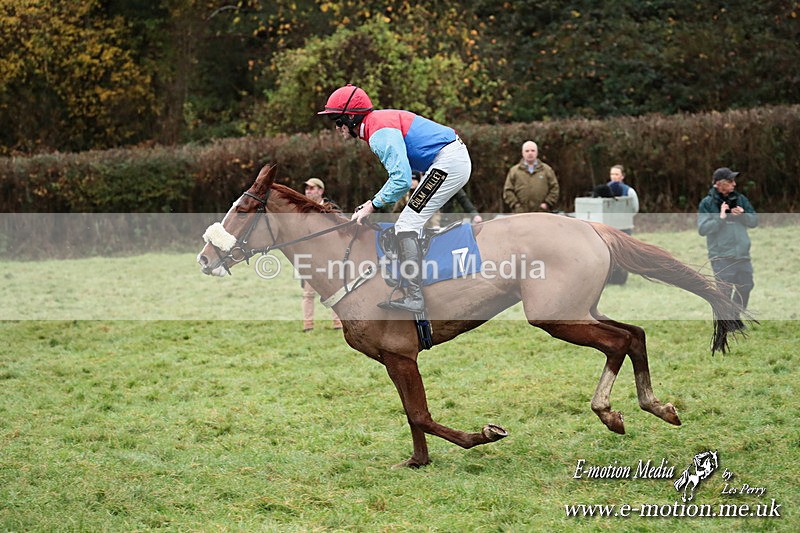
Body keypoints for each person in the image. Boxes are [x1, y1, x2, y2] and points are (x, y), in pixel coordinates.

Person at [318, 84, 472, 313]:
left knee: (406, 224)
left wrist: (371, 205)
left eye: (338, 121)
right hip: (447, 159)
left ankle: (415, 295)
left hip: (448, 161)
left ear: (351, 117)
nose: (337, 127)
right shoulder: (375, 124)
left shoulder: (378, 132)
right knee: (410, 223)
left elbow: (400, 179)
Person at [698, 167, 758, 310]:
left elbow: (754, 221)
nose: (734, 184)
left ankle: (735, 316)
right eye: (730, 181)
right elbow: (703, 229)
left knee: (746, 286)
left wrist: (743, 215)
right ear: (719, 184)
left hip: (742, 255)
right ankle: (725, 323)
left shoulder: (741, 199)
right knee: (724, 292)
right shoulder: (707, 203)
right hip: (721, 256)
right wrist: (721, 218)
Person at [301, 178, 343, 332]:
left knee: (335, 292)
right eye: (307, 189)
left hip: (330, 257)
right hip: (309, 258)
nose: (308, 191)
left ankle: (338, 323)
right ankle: (308, 326)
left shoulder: (331, 208)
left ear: (320, 190)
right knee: (308, 294)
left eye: (312, 188)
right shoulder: (303, 210)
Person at [502, 140, 559, 213]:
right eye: (527, 151)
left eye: (533, 150)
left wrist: (547, 203)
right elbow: (508, 190)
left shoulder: (547, 170)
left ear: (537, 152)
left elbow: (554, 188)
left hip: (542, 213)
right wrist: (516, 205)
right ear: (522, 153)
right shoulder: (514, 171)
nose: (530, 153)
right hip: (520, 213)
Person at [605, 164, 639, 285]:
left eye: (616, 174)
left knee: (623, 253)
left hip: (624, 227)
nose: (614, 177)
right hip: (608, 227)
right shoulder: (604, 189)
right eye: (612, 174)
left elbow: (635, 208)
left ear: (622, 176)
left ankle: (621, 279)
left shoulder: (629, 191)